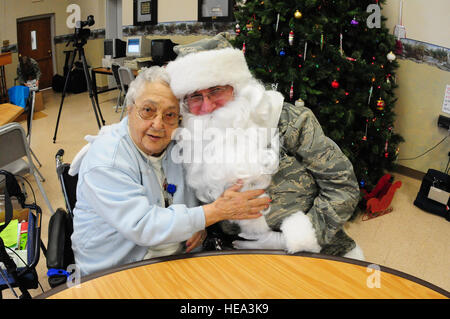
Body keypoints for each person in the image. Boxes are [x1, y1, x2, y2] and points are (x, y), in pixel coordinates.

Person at [165, 33, 364, 259]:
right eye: (195, 96)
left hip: (314, 251)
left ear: (236, 87)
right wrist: (202, 225)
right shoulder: (188, 137)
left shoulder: (288, 120)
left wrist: (294, 239)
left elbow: (342, 186)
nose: (208, 106)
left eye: (215, 91)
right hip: (234, 255)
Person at [70, 66, 271, 276]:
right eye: (148, 110)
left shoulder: (178, 146)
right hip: (115, 273)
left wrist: (201, 227)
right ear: (129, 109)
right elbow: (143, 225)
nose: (158, 124)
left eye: (170, 115)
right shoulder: (107, 159)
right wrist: (215, 212)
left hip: (176, 261)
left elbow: (192, 205)